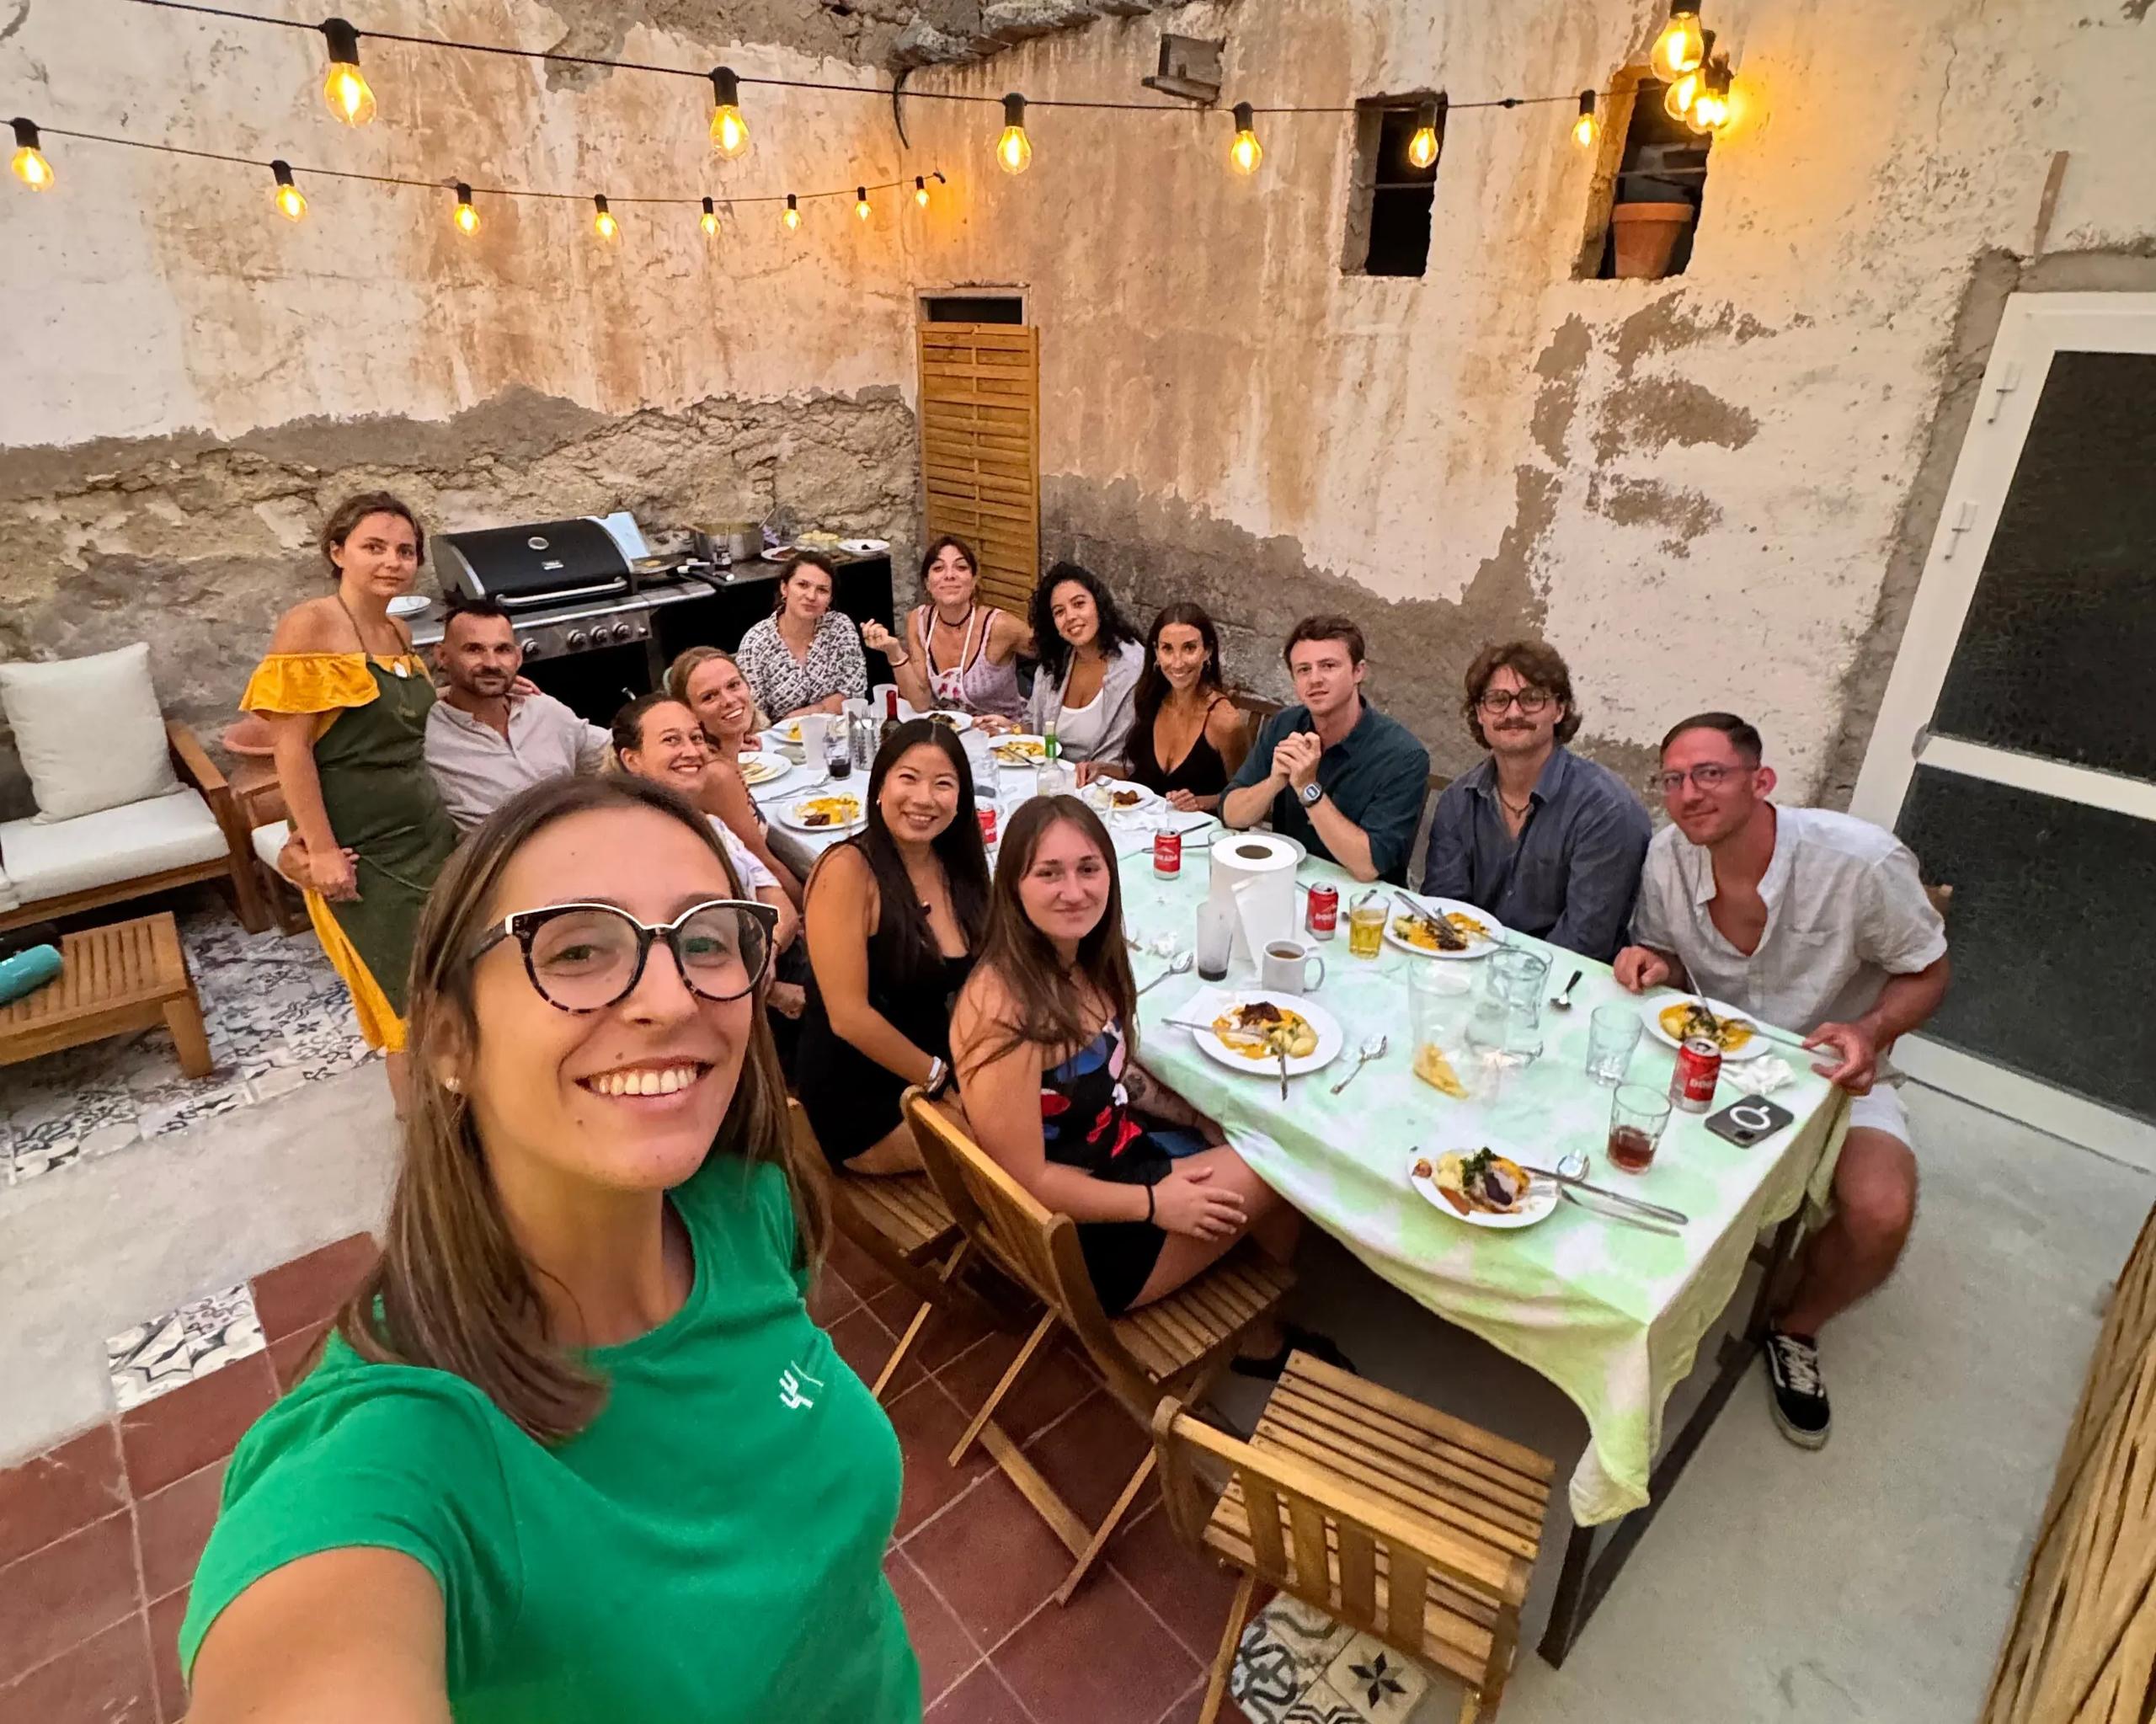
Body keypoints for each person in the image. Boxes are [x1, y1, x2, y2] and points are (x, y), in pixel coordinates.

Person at [179, 775, 921, 1723]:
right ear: (450, 1040)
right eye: (575, 949)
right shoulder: (399, 1446)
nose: (670, 998)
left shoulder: (748, 1210)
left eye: (705, 939)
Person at [1614, 713, 1949, 1451]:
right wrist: (1655, 963)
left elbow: (1929, 971)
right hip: (1705, 1052)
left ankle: (1792, 1325)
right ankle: (1623, 1306)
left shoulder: (1858, 862)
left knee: (1882, 1212)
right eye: (1674, 779)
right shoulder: (1667, 855)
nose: (1689, 794)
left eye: (1711, 773)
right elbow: (1664, 950)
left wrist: (1869, 1032)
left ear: (1761, 780)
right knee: (1606, 1126)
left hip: (1832, 1067)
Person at [950, 798, 1325, 1364]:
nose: (1074, 891)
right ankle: (1258, 1338)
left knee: (1255, 1132)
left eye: (1088, 868)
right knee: (1282, 1168)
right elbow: (1023, 1182)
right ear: (1013, 887)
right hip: (1081, 1238)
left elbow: (1109, 1071)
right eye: (1048, 873)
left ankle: (1248, 1307)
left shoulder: (1081, 963)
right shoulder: (1004, 1010)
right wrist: (1154, 1204)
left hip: (1123, 1161)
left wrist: (1195, 1118)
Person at [243, 493, 459, 1115]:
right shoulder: (309, 624)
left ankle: (464, 1109)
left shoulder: (396, 630)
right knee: (404, 999)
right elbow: (291, 749)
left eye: (405, 551)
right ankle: (420, 1132)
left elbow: (401, 721)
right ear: (338, 552)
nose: (392, 561)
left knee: (450, 977)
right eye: (374, 547)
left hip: (427, 834)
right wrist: (321, 850)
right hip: (363, 852)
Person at [795, 721, 990, 1174]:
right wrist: (938, 1079)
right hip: (864, 1090)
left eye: (943, 784)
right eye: (908, 778)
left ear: (961, 799)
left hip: (944, 1059)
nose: (924, 798)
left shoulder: (955, 865)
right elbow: (848, 1017)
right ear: (880, 787)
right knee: (1005, 1146)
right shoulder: (847, 871)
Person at [1419, 641, 1652, 963]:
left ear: (1559, 709)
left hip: (1568, 981)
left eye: (1531, 699)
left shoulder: (1606, 810)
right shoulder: (1458, 801)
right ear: (1480, 714)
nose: (1514, 713)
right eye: (1498, 700)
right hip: (1468, 969)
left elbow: (1584, 942)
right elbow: (1445, 913)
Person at [1221, 616, 1429, 884]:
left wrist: (1308, 789)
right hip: (1289, 881)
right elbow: (1231, 814)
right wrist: (1274, 782)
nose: (1315, 679)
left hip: (1362, 899)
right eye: (1303, 670)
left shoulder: (1403, 756)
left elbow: (1368, 866)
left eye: (1328, 666)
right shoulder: (1285, 725)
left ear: (1358, 671)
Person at [611, 695, 800, 964]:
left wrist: (770, 948)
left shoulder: (711, 825)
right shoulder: (632, 847)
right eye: (671, 740)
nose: (691, 751)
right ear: (632, 760)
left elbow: (777, 901)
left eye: (696, 738)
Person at [424, 595, 610, 832]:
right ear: (442, 656)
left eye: (503, 650)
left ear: (518, 657)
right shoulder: (425, 733)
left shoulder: (543, 708)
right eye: (474, 649)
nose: (491, 663)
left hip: (575, 842)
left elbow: (616, 751)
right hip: (501, 853)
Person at [664, 647, 805, 905]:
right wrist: (809, 909)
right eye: (709, 697)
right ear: (690, 713)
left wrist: (735, 743)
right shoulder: (716, 775)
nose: (728, 700)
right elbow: (766, 865)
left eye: (733, 685)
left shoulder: (723, 755)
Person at [860, 535, 1031, 725]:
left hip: (1004, 736)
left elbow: (1050, 648)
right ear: (927, 583)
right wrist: (894, 652)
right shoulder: (918, 620)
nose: (949, 575)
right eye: (938, 568)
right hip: (948, 734)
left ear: (974, 580)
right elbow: (920, 703)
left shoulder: (999, 625)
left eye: (961, 567)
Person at [1123, 602, 1249, 813]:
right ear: (1156, 652)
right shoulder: (1151, 700)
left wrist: (1200, 802)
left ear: (1207, 651)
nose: (1178, 663)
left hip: (1203, 830)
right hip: (1146, 825)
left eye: (1189, 648)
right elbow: (1146, 779)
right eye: (1167, 649)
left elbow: (1245, 797)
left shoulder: (1224, 721)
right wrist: (1103, 770)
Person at [1023, 563, 1145, 774]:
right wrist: (1009, 729)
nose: (1071, 616)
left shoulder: (1133, 667)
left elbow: (1138, 759)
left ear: (1098, 605)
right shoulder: (1053, 663)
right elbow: (1034, 728)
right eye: (1059, 612)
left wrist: (1101, 771)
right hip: (1052, 778)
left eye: (1079, 604)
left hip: (1109, 786)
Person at [733, 552, 868, 722]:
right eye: (803, 585)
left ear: (830, 599)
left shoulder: (840, 627)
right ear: (784, 588)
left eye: (822, 590)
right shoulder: (756, 644)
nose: (811, 596)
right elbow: (754, 716)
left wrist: (800, 715)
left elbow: (854, 695)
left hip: (838, 731)